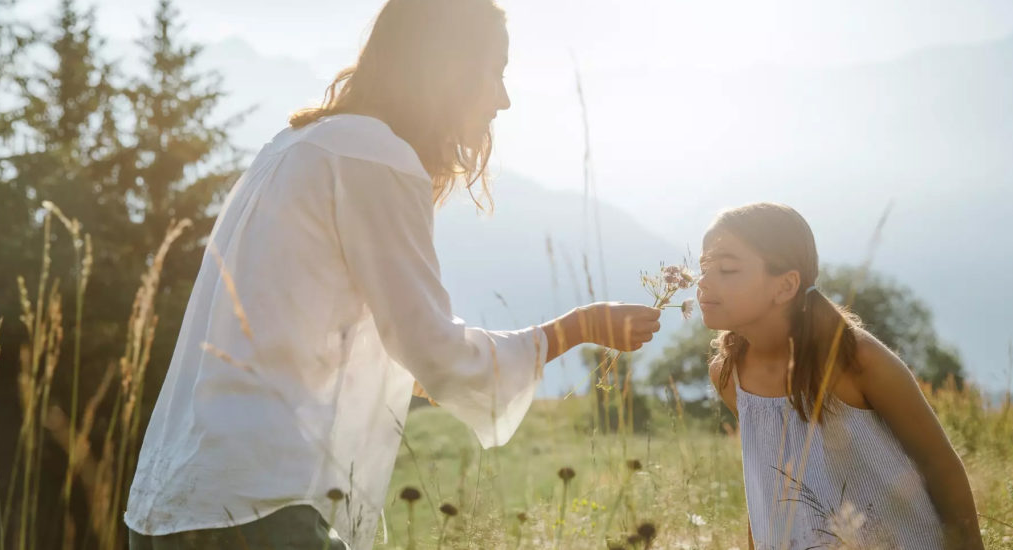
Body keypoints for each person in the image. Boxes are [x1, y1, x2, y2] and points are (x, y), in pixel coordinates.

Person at [124, 1, 662, 548]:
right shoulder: (373, 157)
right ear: (446, 68)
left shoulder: (295, 145)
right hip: (260, 510)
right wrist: (578, 327)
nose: (503, 98)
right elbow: (434, 350)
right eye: (494, 71)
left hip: (167, 506)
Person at [701, 203, 983, 549]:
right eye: (704, 267)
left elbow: (939, 464)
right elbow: (764, 486)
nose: (704, 282)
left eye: (726, 269)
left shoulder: (857, 359)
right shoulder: (729, 375)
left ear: (785, 285)